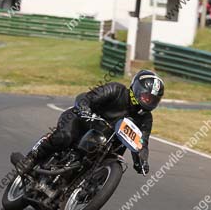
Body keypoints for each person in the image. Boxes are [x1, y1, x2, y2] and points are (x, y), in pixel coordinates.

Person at [11, 70, 165, 176]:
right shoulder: (116, 90)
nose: (148, 101)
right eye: (146, 96)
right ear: (137, 90)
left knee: (109, 162)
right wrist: (85, 109)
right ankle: (31, 158)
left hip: (105, 145)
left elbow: (142, 143)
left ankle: (87, 188)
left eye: (152, 99)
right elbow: (86, 97)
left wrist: (142, 161)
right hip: (82, 122)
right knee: (64, 136)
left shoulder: (146, 119)